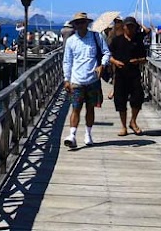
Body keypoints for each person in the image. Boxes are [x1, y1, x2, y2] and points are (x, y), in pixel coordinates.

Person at [62, 12, 110, 148]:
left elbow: (106, 52)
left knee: (90, 108)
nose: (80, 25)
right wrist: (66, 79)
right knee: (75, 108)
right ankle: (72, 135)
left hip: (92, 80)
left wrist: (102, 65)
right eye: (77, 23)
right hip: (76, 80)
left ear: (87, 23)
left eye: (82, 22)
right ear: (74, 25)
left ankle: (88, 134)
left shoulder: (96, 36)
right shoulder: (71, 41)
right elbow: (67, 61)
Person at [108, 16, 147, 136]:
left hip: (134, 74)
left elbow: (145, 59)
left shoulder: (138, 41)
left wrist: (138, 60)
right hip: (120, 75)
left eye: (132, 26)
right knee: (120, 101)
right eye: (128, 26)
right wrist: (114, 62)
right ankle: (123, 126)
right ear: (124, 27)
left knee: (137, 98)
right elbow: (108, 56)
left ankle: (133, 121)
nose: (130, 28)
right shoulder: (116, 40)